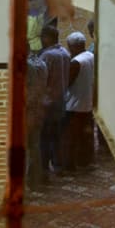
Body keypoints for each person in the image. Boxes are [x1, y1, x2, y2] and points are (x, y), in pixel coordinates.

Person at [39, 24, 70, 175]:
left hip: (48, 102)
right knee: (57, 136)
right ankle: (58, 165)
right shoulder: (65, 52)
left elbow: (42, 80)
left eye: (42, 37)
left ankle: (44, 168)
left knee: (44, 137)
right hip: (62, 100)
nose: (41, 40)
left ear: (48, 38)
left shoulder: (47, 56)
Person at [64, 31, 96, 169]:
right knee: (86, 136)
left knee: (71, 137)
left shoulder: (76, 62)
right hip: (88, 102)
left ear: (73, 46)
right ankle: (86, 161)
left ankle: (71, 164)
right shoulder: (91, 56)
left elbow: (67, 82)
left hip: (74, 105)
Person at [25, 41, 49, 188]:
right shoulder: (40, 63)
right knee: (35, 146)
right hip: (38, 110)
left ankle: (30, 182)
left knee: (30, 148)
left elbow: (30, 94)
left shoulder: (28, 67)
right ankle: (35, 180)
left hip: (29, 113)